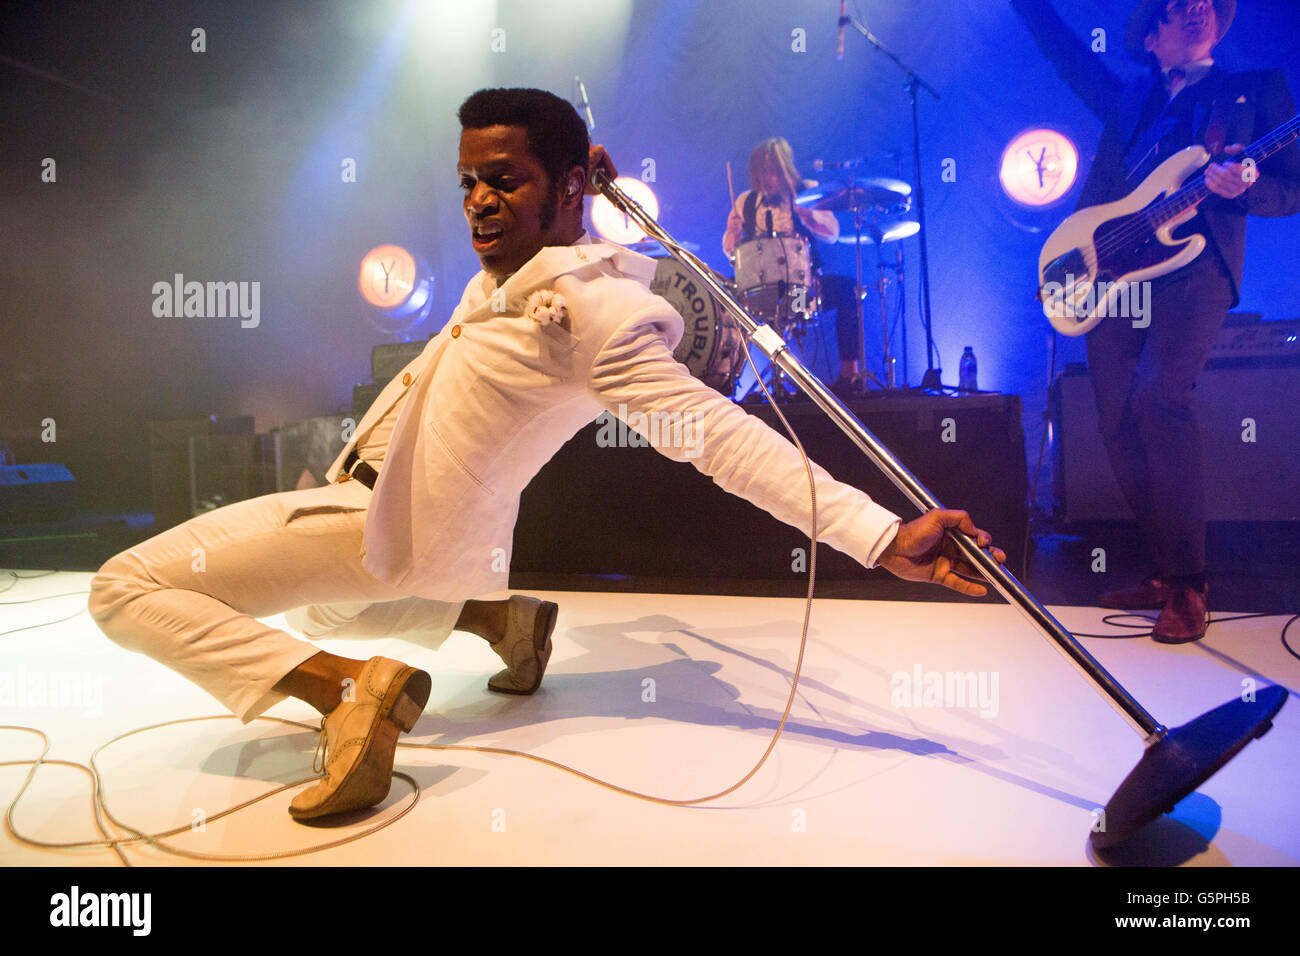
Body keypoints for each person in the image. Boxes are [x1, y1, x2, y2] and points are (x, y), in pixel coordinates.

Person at [89, 88, 1005, 822]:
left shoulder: (598, 317)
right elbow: (541, 223)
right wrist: (580, 171)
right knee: (332, 609)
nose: (479, 201)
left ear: (563, 190)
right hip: (430, 546)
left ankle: (349, 695)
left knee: (124, 591)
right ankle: (500, 620)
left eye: (505, 180)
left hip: (380, 526)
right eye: (468, 182)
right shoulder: (508, 271)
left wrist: (880, 536)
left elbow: (722, 441)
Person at [1011, 0, 1300, 642]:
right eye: (1180, 3)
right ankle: (1167, 571)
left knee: (1160, 396)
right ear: (1152, 32)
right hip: (1115, 269)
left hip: (1195, 268)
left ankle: (1192, 586)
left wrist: (1244, 190)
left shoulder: (1254, 90)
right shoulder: (1128, 94)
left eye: (1208, 2)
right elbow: (1064, 56)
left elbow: (1295, 185)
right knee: (1115, 419)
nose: (1198, 7)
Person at [723, 138, 865, 396]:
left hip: (802, 292)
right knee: (725, 303)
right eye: (762, 171)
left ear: (785, 168)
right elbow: (730, 251)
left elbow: (832, 233)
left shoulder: (808, 191)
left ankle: (850, 373)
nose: (768, 178)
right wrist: (732, 232)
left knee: (848, 290)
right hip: (759, 293)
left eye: (773, 170)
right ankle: (727, 378)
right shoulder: (746, 200)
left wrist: (807, 215)